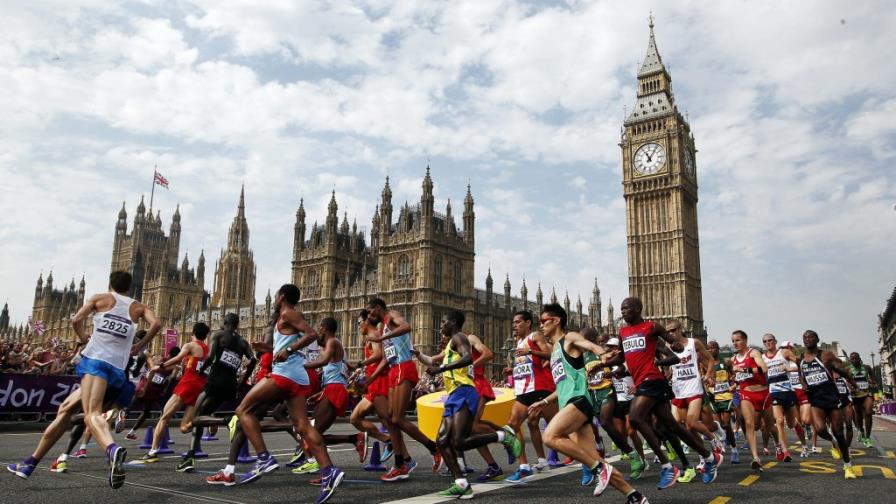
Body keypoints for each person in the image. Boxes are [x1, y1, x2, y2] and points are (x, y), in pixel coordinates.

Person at [8, 271, 160, 489]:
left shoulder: (100, 298)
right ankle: (29, 464)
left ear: (110, 284)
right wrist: (139, 345)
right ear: (130, 287)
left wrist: (81, 337)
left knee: (91, 414)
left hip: (97, 363)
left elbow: (76, 319)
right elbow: (156, 324)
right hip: (117, 373)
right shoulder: (139, 307)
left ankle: (112, 449)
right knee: (66, 408)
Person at [527, 304, 649, 503]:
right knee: (593, 458)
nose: (540, 325)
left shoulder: (570, 338)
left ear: (556, 320)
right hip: (568, 404)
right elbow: (562, 385)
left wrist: (602, 354)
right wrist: (544, 401)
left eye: (543, 321)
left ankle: (599, 469)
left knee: (549, 436)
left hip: (579, 401)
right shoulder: (555, 351)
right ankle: (635, 496)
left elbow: (590, 345)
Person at [235, 284, 343, 503]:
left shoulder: (287, 312)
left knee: (243, 410)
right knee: (303, 426)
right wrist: (269, 350)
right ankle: (328, 471)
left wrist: (288, 350)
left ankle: (264, 458)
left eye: (276, 295)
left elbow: (311, 334)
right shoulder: (284, 318)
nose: (274, 298)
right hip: (297, 375)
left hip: (285, 376)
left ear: (282, 296)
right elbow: (289, 344)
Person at [608, 297, 720, 489]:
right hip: (643, 381)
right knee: (672, 427)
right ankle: (709, 457)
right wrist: (605, 366)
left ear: (637, 308)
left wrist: (667, 353)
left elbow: (675, 350)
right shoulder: (623, 332)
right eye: (621, 309)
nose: (623, 312)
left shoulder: (652, 327)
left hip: (653, 381)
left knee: (635, 419)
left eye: (626, 308)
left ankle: (668, 466)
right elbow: (623, 357)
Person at [414, 310, 522, 499]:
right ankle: (461, 483)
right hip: (454, 394)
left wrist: (442, 368)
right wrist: (418, 355)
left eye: (443, 322)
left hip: (464, 392)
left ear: (453, 322)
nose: (441, 326)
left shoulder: (460, 337)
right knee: (442, 441)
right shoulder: (449, 345)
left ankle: (502, 436)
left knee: (459, 441)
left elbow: (468, 357)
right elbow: (432, 360)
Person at [365, 298, 441, 480]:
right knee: (390, 420)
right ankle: (400, 464)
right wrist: (371, 377)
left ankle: (434, 448)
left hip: (403, 367)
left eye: (370, 311)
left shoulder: (392, 315)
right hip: (393, 369)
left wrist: (381, 338)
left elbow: (407, 327)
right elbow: (385, 357)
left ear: (378, 308)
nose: (369, 315)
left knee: (397, 418)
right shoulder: (383, 326)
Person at [177, 313, 256, 472]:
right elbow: (253, 360)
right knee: (203, 415)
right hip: (230, 385)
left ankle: (227, 421)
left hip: (215, 380)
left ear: (225, 322)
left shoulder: (219, 334)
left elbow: (211, 356)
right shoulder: (243, 342)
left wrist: (202, 371)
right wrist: (243, 379)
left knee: (197, 416)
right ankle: (191, 455)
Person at [295, 317, 367, 483]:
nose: (318, 330)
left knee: (313, 435)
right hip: (333, 389)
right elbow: (344, 368)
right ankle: (352, 441)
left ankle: (329, 471)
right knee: (314, 435)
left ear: (324, 328)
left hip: (335, 390)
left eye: (319, 327)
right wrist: (321, 392)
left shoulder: (333, 343)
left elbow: (324, 361)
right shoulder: (337, 345)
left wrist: (301, 365)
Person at [138, 322, 210, 462]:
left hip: (187, 384)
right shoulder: (207, 349)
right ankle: (208, 421)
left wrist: (159, 366)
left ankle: (152, 452)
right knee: (184, 427)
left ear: (192, 333)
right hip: (199, 387)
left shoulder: (190, 345)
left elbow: (177, 358)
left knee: (164, 417)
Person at [582, 329, 646, 482]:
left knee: (606, 422)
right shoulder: (581, 358)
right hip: (593, 397)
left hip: (608, 393)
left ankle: (637, 457)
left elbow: (622, 364)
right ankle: (630, 455)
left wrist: (615, 371)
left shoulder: (603, 353)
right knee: (615, 432)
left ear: (589, 340)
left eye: (582, 339)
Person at [505, 310, 557, 483]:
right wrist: (512, 370)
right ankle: (526, 467)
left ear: (528, 323)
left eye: (518, 322)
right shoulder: (518, 343)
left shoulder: (535, 336)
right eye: (513, 322)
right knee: (514, 425)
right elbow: (526, 364)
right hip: (523, 391)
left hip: (540, 389)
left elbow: (550, 354)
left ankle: (592, 461)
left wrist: (531, 352)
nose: (515, 325)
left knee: (561, 428)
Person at [666, 321, 720, 483]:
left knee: (691, 422)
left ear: (681, 329)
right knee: (680, 426)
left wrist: (710, 374)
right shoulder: (668, 349)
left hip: (694, 389)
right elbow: (668, 370)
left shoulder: (693, 343)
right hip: (678, 391)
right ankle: (705, 457)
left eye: (674, 330)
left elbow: (710, 360)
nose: (671, 333)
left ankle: (713, 439)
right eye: (668, 331)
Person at [799, 330, 856, 479]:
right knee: (820, 429)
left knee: (838, 431)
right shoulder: (801, 358)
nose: (807, 339)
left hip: (832, 398)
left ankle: (848, 465)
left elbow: (842, 369)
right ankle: (833, 442)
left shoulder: (826, 355)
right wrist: (803, 384)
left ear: (817, 339)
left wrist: (851, 381)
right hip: (815, 400)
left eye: (811, 336)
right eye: (805, 337)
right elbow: (801, 376)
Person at [348, 310, 392, 460]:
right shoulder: (371, 336)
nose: (358, 325)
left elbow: (379, 354)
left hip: (379, 382)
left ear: (367, 321)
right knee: (382, 418)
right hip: (374, 382)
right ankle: (389, 441)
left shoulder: (373, 335)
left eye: (359, 322)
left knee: (358, 418)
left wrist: (361, 363)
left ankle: (395, 446)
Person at [730, 330, 774, 471]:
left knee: (767, 425)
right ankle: (755, 458)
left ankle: (777, 445)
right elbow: (736, 378)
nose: (735, 343)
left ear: (745, 340)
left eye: (737, 340)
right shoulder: (733, 359)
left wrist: (745, 370)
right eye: (733, 341)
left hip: (762, 392)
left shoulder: (753, 353)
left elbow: (764, 368)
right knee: (749, 424)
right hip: (746, 393)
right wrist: (734, 383)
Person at [761, 333, 804, 462]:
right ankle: (785, 451)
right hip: (774, 392)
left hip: (788, 391)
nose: (768, 343)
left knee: (790, 424)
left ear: (775, 341)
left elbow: (800, 364)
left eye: (770, 340)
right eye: (765, 341)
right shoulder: (762, 358)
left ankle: (797, 425)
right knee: (779, 421)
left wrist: (788, 369)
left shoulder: (783, 353)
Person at [125, 347, 178, 440]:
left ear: (169, 353)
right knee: (149, 412)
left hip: (144, 384)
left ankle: (121, 417)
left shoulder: (159, 358)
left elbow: (150, 368)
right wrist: (165, 388)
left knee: (132, 406)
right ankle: (132, 432)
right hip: (153, 389)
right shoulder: (174, 365)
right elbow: (172, 378)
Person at [706, 341, 738, 463]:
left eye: (713, 348)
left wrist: (734, 385)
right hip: (713, 398)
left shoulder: (726, 362)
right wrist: (708, 386)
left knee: (726, 424)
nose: (710, 350)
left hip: (726, 396)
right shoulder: (705, 364)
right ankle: (719, 448)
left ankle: (734, 450)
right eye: (708, 348)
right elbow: (703, 379)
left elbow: (735, 377)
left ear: (718, 349)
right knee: (716, 426)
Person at [780, 340, 812, 457]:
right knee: (795, 424)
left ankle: (808, 426)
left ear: (791, 348)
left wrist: (789, 370)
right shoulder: (780, 360)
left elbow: (804, 366)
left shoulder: (796, 360)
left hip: (802, 392)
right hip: (791, 393)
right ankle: (804, 446)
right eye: (782, 347)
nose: (784, 349)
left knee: (806, 420)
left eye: (786, 347)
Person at [848, 352, 876, 447]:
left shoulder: (867, 367)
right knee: (858, 416)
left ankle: (867, 438)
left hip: (866, 394)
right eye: (852, 359)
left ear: (859, 359)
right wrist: (851, 389)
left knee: (868, 412)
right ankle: (861, 431)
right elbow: (846, 381)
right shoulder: (848, 369)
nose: (855, 360)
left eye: (856, 358)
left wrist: (872, 382)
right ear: (850, 360)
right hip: (856, 396)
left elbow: (873, 378)